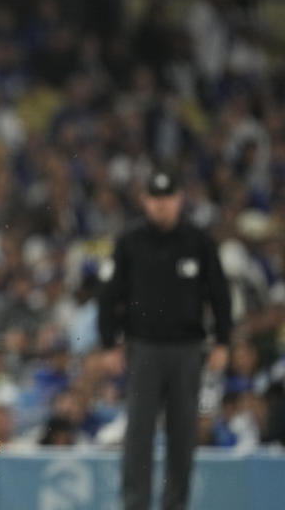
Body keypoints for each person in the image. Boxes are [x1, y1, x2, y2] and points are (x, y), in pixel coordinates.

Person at [98, 167, 232, 510]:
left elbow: (219, 292)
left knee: (183, 435)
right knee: (138, 435)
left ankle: (176, 505)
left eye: (167, 198)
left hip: (188, 350)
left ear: (179, 199)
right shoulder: (130, 241)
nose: (161, 206)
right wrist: (108, 342)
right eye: (155, 199)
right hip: (143, 349)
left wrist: (223, 341)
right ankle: (135, 505)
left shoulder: (198, 241)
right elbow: (109, 292)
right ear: (145, 201)